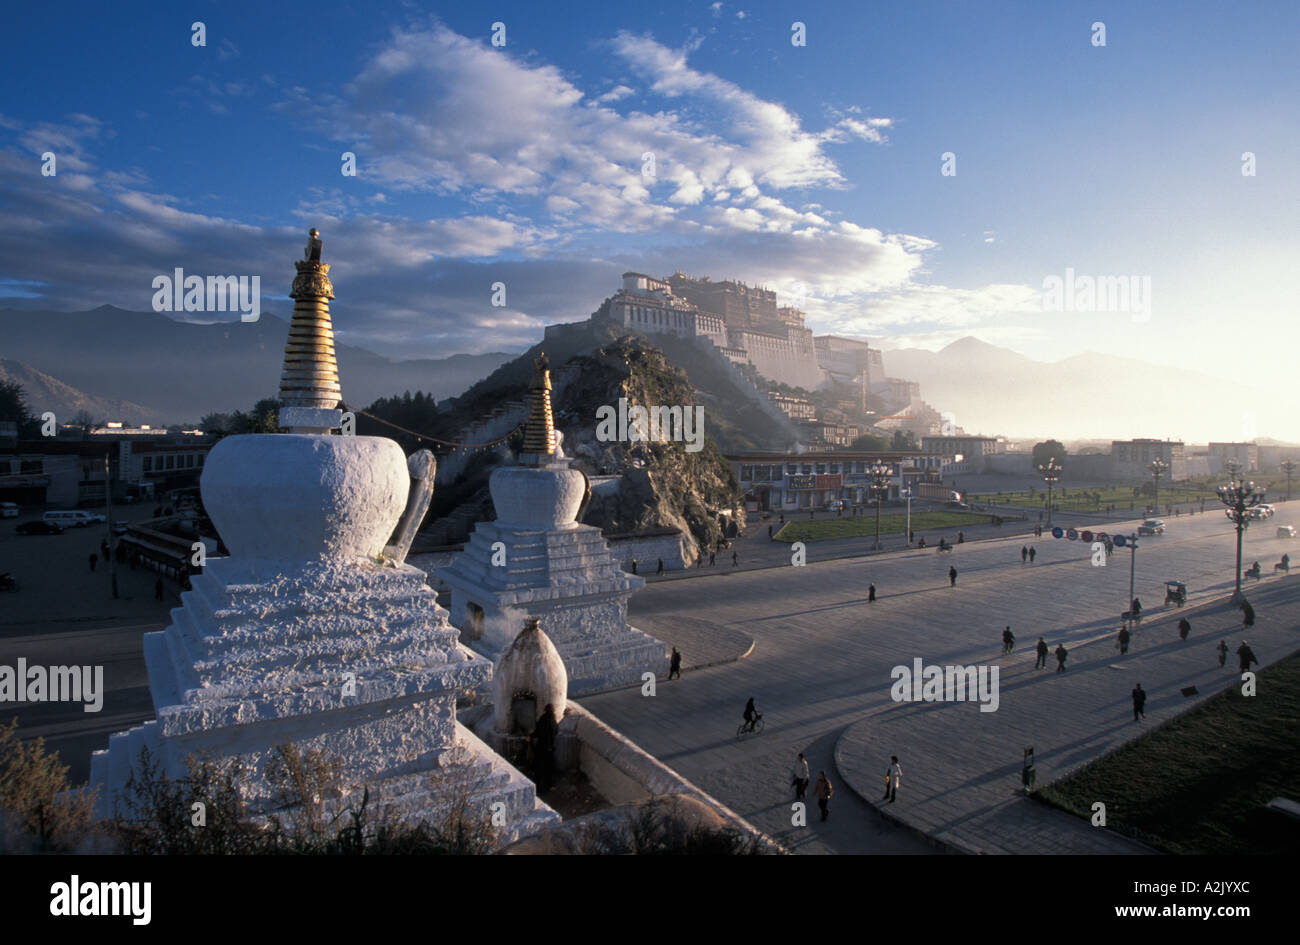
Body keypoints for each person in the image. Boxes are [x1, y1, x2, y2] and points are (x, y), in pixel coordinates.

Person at [531, 703, 559, 792]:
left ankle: (538, 787)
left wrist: (530, 736)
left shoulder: (543, 719)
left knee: (539, 767)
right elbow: (556, 731)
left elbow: (538, 732)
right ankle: (550, 785)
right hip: (550, 748)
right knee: (550, 767)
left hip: (542, 747)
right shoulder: (553, 720)